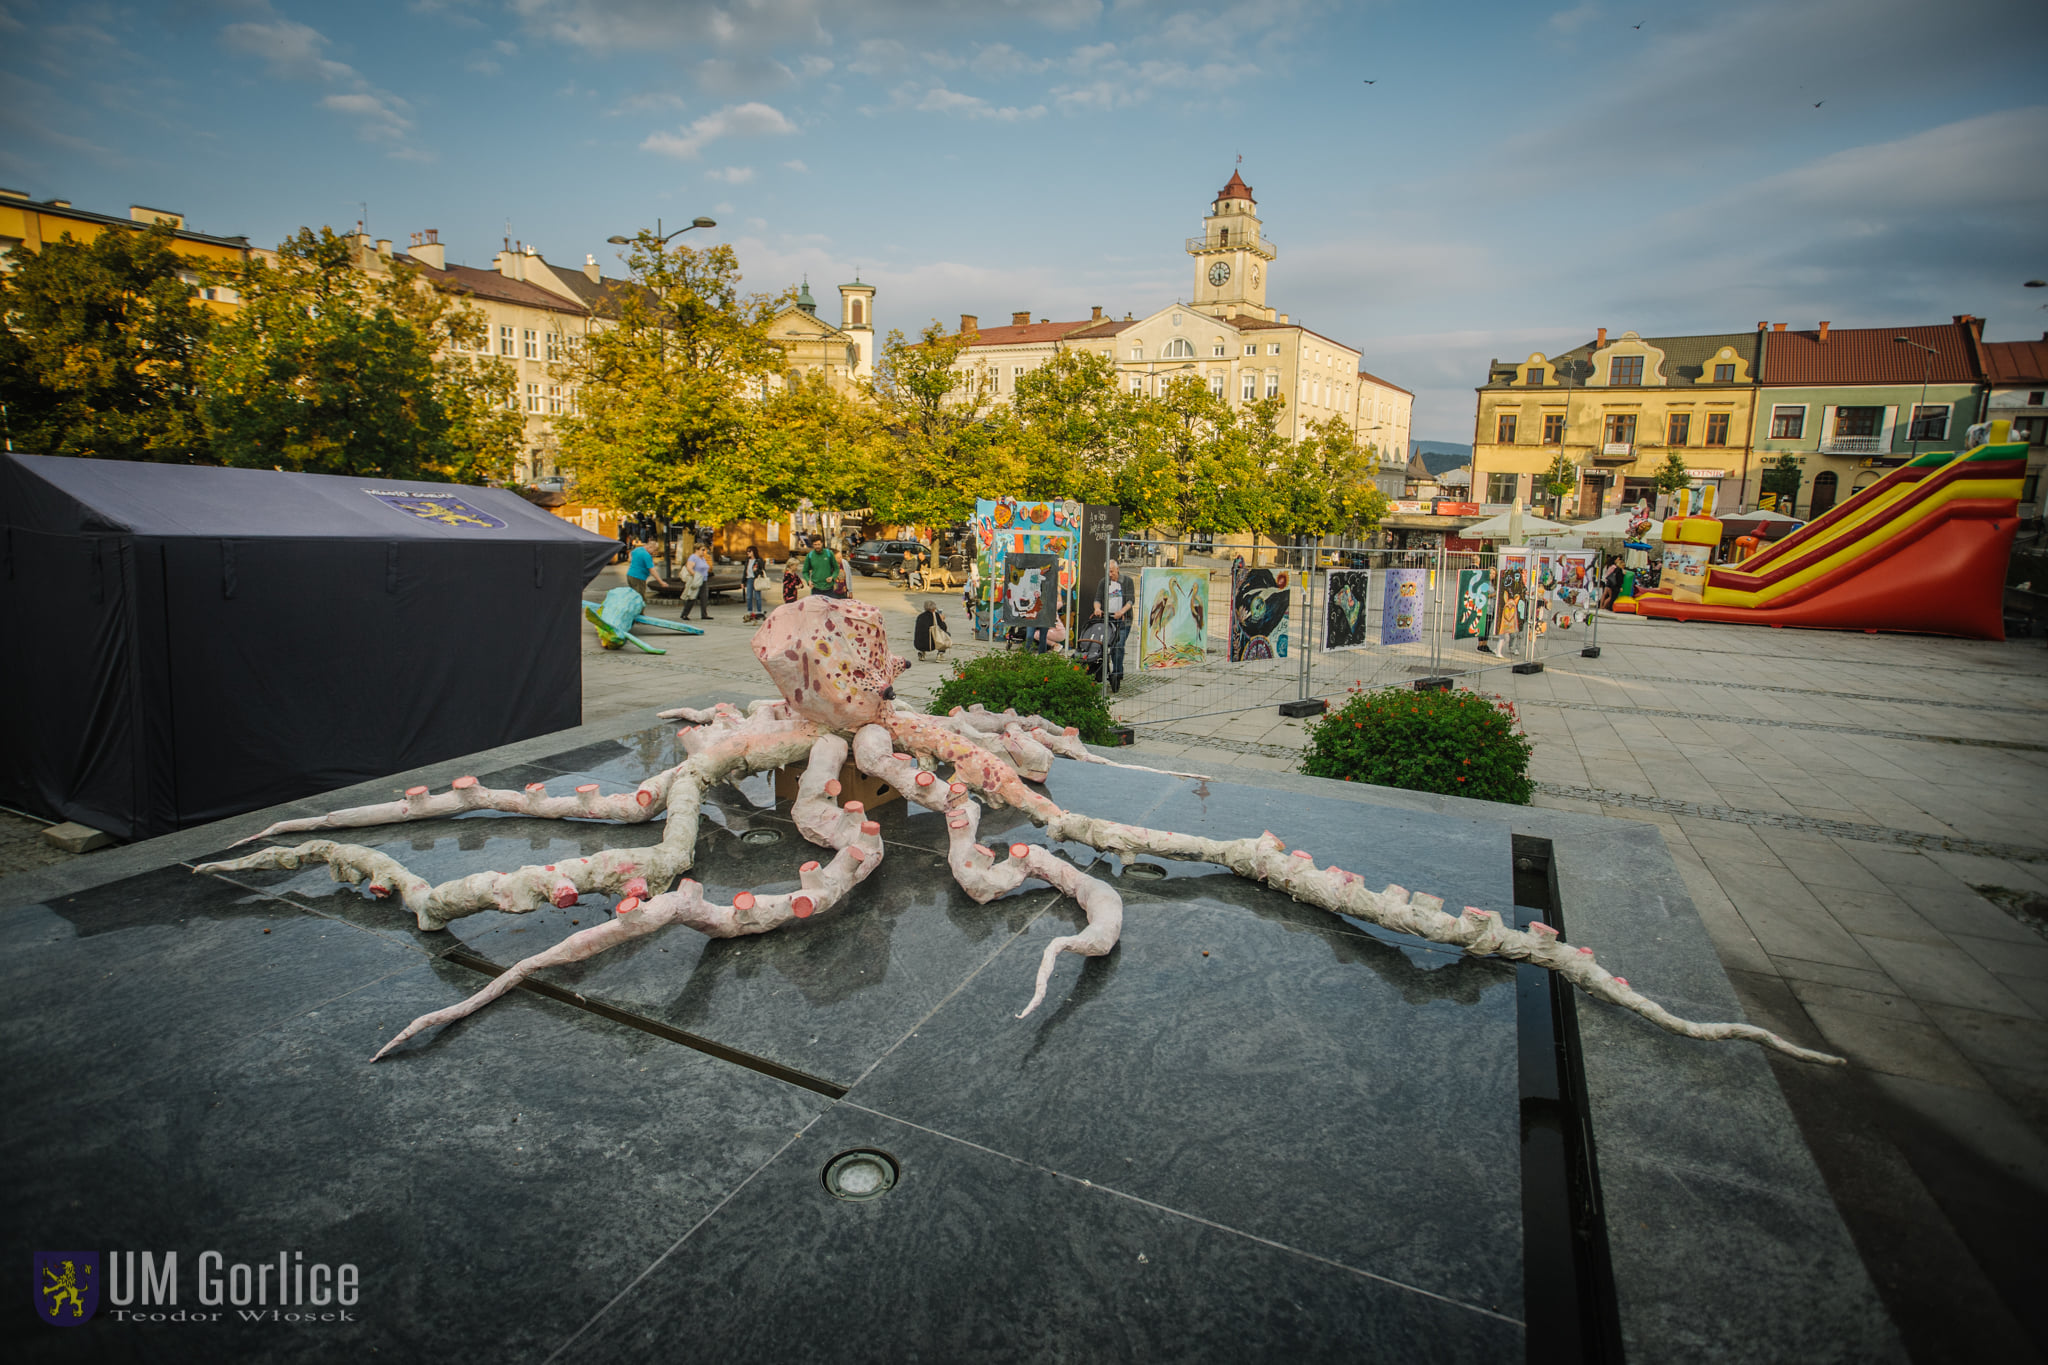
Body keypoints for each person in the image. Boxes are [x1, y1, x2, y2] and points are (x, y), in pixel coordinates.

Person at [1093, 560, 1134, 692]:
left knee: (1118, 645)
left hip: (1123, 620)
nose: (1110, 574)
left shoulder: (1127, 581)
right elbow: (1098, 599)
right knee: (1103, 645)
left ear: (1117, 569)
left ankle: (1117, 672)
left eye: (1111, 571)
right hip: (1107, 620)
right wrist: (1097, 608)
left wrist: (1121, 611)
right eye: (1107, 572)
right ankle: (1104, 670)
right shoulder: (1103, 582)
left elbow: (1130, 600)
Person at [623, 534, 670, 602]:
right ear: (650, 547)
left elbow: (630, 553)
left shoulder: (638, 549)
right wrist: (661, 582)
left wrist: (630, 558)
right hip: (639, 577)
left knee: (633, 596)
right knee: (640, 598)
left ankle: (634, 611)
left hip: (630, 575)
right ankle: (640, 612)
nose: (653, 552)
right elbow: (652, 570)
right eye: (654, 550)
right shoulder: (646, 555)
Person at [679, 544, 714, 621]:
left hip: (704, 580)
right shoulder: (693, 557)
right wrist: (696, 575)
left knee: (704, 597)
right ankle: (684, 614)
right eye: (702, 550)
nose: (704, 551)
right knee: (692, 597)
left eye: (704, 550)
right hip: (696, 580)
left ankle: (704, 614)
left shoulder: (703, 558)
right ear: (697, 550)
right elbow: (689, 567)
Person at [742, 545, 766, 621]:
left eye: (749, 551)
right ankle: (749, 611)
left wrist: (756, 570)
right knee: (749, 596)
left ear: (753, 552)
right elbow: (745, 571)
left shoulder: (759, 560)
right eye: (747, 551)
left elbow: (762, 570)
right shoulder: (747, 560)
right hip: (749, 579)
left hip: (756, 579)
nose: (748, 553)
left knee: (757, 596)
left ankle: (759, 611)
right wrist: (742, 581)